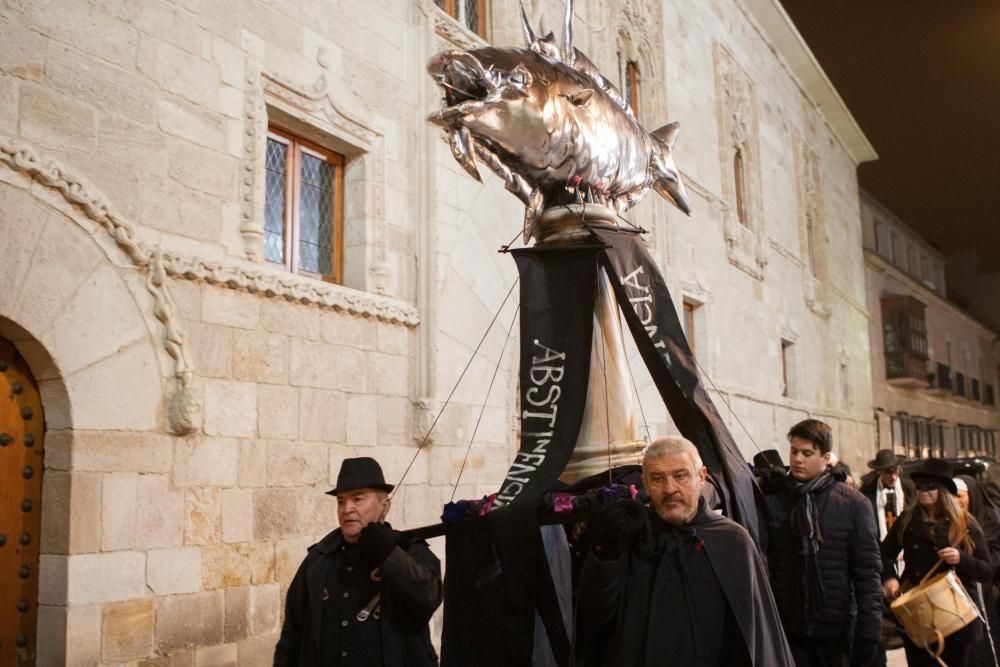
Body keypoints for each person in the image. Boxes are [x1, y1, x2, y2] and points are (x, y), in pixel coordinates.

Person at [576, 435, 795, 666]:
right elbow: (596, 619)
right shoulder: (632, 538)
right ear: (646, 484)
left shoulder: (732, 541)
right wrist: (605, 551)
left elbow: (755, 637)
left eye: (680, 476)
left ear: (701, 477)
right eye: (657, 478)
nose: (670, 488)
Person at [274, 457, 442, 666]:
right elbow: (292, 636)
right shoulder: (318, 559)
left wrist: (390, 555)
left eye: (358, 499)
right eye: (341, 501)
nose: (347, 509)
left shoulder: (411, 552)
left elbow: (428, 597)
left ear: (385, 506)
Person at [764, 419, 883, 667]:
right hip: (788, 625)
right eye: (794, 451)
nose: (797, 459)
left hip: (834, 630)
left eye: (807, 453)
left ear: (826, 457)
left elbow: (868, 574)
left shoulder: (854, 504)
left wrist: (870, 631)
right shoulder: (777, 498)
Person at [881, 459, 994, 667]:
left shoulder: (965, 523)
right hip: (918, 615)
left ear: (942, 490)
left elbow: (986, 571)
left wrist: (961, 559)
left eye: (929, 485)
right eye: (919, 485)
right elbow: (883, 554)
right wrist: (890, 578)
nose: (923, 491)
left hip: (956, 617)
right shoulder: (907, 520)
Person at [955, 474, 1000, 667]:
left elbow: (994, 561)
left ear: (971, 496)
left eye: (960, 496)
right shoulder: (949, 522)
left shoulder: (989, 522)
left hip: (988, 595)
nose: (956, 501)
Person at [859, 449, 915, 547]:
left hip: (905, 544)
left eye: (896, 471)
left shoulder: (908, 487)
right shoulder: (868, 491)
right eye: (888, 473)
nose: (893, 477)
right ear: (879, 472)